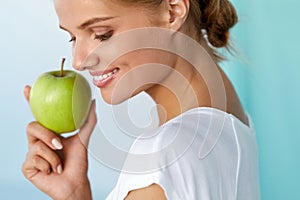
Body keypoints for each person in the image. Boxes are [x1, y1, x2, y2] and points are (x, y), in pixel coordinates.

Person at [22, 0, 260, 199]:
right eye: (72, 38)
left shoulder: (162, 158)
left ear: (173, 11)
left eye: (101, 35)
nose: (79, 61)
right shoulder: (228, 114)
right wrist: (75, 194)